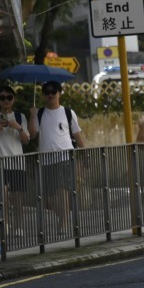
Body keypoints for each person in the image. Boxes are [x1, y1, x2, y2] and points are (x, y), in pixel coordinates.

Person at [29, 81, 86, 233]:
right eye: (47, 92)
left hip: (64, 158)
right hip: (46, 159)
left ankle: (64, 222)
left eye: (53, 92)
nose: (50, 95)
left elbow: (77, 134)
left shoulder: (68, 113)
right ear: (43, 95)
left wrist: (85, 152)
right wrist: (32, 116)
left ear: (59, 93)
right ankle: (63, 216)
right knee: (49, 197)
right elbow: (33, 134)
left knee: (62, 191)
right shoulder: (39, 113)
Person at [0, 84, 30, 228]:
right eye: (2, 98)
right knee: (2, 198)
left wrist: (18, 127)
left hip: (17, 163)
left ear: (13, 100)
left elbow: (26, 140)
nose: (6, 101)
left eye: (9, 97)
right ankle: (5, 226)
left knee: (18, 199)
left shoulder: (20, 117)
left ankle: (19, 226)